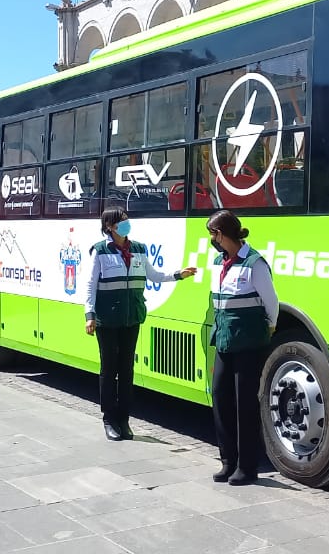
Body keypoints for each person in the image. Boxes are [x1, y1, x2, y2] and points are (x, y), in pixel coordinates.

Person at [84, 206, 196, 441]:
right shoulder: (100, 251)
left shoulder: (138, 249)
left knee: (126, 370)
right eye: (121, 220)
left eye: (126, 219)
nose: (126, 223)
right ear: (109, 227)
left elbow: (154, 275)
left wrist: (178, 275)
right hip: (108, 318)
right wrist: (90, 315)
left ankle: (124, 419)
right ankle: (109, 419)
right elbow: (90, 285)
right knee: (109, 369)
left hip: (132, 316)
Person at [206, 209, 278, 486]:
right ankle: (228, 461)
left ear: (222, 234)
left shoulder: (254, 263)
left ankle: (247, 467)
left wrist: (266, 329)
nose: (212, 240)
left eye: (213, 234)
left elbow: (271, 304)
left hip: (248, 341)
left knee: (244, 404)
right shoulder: (218, 261)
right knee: (220, 397)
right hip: (224, 338)